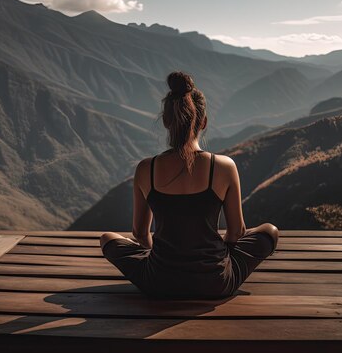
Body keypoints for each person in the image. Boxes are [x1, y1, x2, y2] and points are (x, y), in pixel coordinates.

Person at [100, 71, 279, 299]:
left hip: (158, 282)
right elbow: (237, 231)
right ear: (203, 122)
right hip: (215, 283)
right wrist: (218, 259)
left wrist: (164, 260)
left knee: (107, 238)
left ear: (166, 121)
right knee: (269, 231)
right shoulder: (224, 166)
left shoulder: (146, 169)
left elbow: (140, 233)